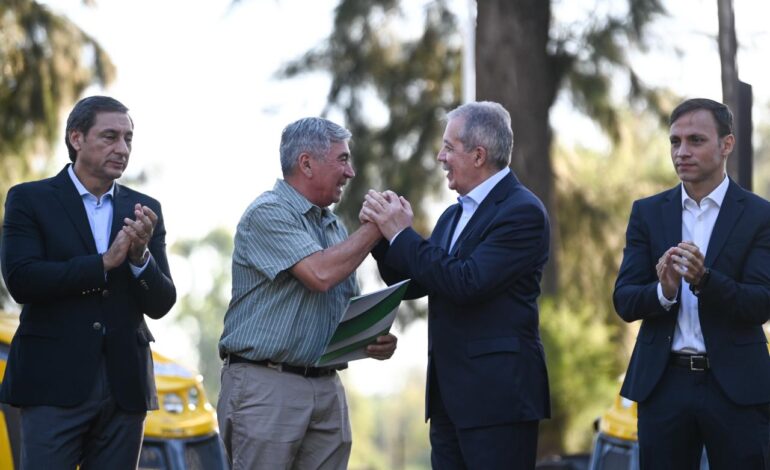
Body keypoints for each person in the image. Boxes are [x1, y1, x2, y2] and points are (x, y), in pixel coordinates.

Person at [361, 101, 551, 469]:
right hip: (448, 400)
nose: (440, 156)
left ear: (479, 155)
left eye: (449, 147)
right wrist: (384, 238)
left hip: (498, 401)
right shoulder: (453, 214)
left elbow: (467, 281)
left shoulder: (521, 211)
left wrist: (402, 233)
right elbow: (417, 282)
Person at [0, 95, 177, 468]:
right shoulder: (30, 200)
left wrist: (139, 259)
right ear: (76, 138)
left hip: (125, 387)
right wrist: (102, 264)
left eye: (128, 138)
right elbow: (22, 279)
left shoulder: (145, 209)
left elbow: (161, 304)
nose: (122, 148)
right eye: (110, 136)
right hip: (51, 383)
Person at [217, 116, 398, 469]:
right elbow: (320, 274)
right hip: (267, 386)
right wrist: (377, 227)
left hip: (327, 389)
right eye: (343, 159)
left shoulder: (333, 225)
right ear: (306, 164)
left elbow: (342, 306)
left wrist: (371, 339)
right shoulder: (267, 212)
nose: (352, 172)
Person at [614, 98, 770, 469]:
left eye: (695, 140)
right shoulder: (647, 213)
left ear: (726, 144)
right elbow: (624, 299)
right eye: (675, 141)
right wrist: (664, 291)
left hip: (735, 386)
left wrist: (704, 280)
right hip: (663, 384)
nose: (682, 152)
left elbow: (761, 303)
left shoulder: (760, 215)